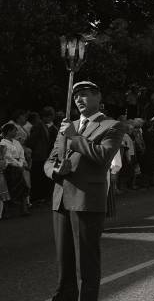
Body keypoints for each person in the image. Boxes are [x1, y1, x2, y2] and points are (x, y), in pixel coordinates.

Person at [44, 81, 125, 300]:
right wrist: (55, 170)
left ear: (98, 97)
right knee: (65, 259)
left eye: (85, 94)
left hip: (86, 200)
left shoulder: (112, 125)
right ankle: (64, 296)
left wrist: (74, 137)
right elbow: (50, 160)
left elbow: (103, 156)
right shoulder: (67, 126)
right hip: (61, 198)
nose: (79, 99)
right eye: (76, 95)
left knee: (86, 263)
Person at [1, 123, 30, 216]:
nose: (16, 132)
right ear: (9, 131)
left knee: (24, 188)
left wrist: (22, 163)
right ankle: (9, 211)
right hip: (10, 168)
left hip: (19, 167)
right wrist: (18, 165)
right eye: (14, 130)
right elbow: (7, 157)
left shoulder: (16, 142)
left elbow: (21, 154)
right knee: (10, 189)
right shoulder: (2, 143)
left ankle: (24, 209)